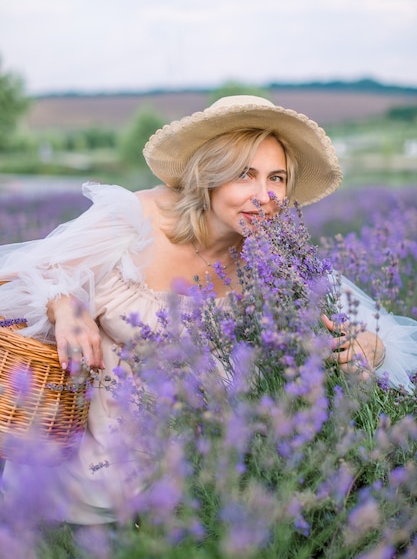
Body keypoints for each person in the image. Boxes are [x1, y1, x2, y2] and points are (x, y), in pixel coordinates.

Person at [0, 95, 416, 525]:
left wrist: (370, 346)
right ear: (209, 176)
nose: (264, 196)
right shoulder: (133, 220)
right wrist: (64, 306)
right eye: (244, 175)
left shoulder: (275, 262)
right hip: (68, 487)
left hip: (194, 502)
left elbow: (377, 332)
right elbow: (23, 276)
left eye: (277, 178)